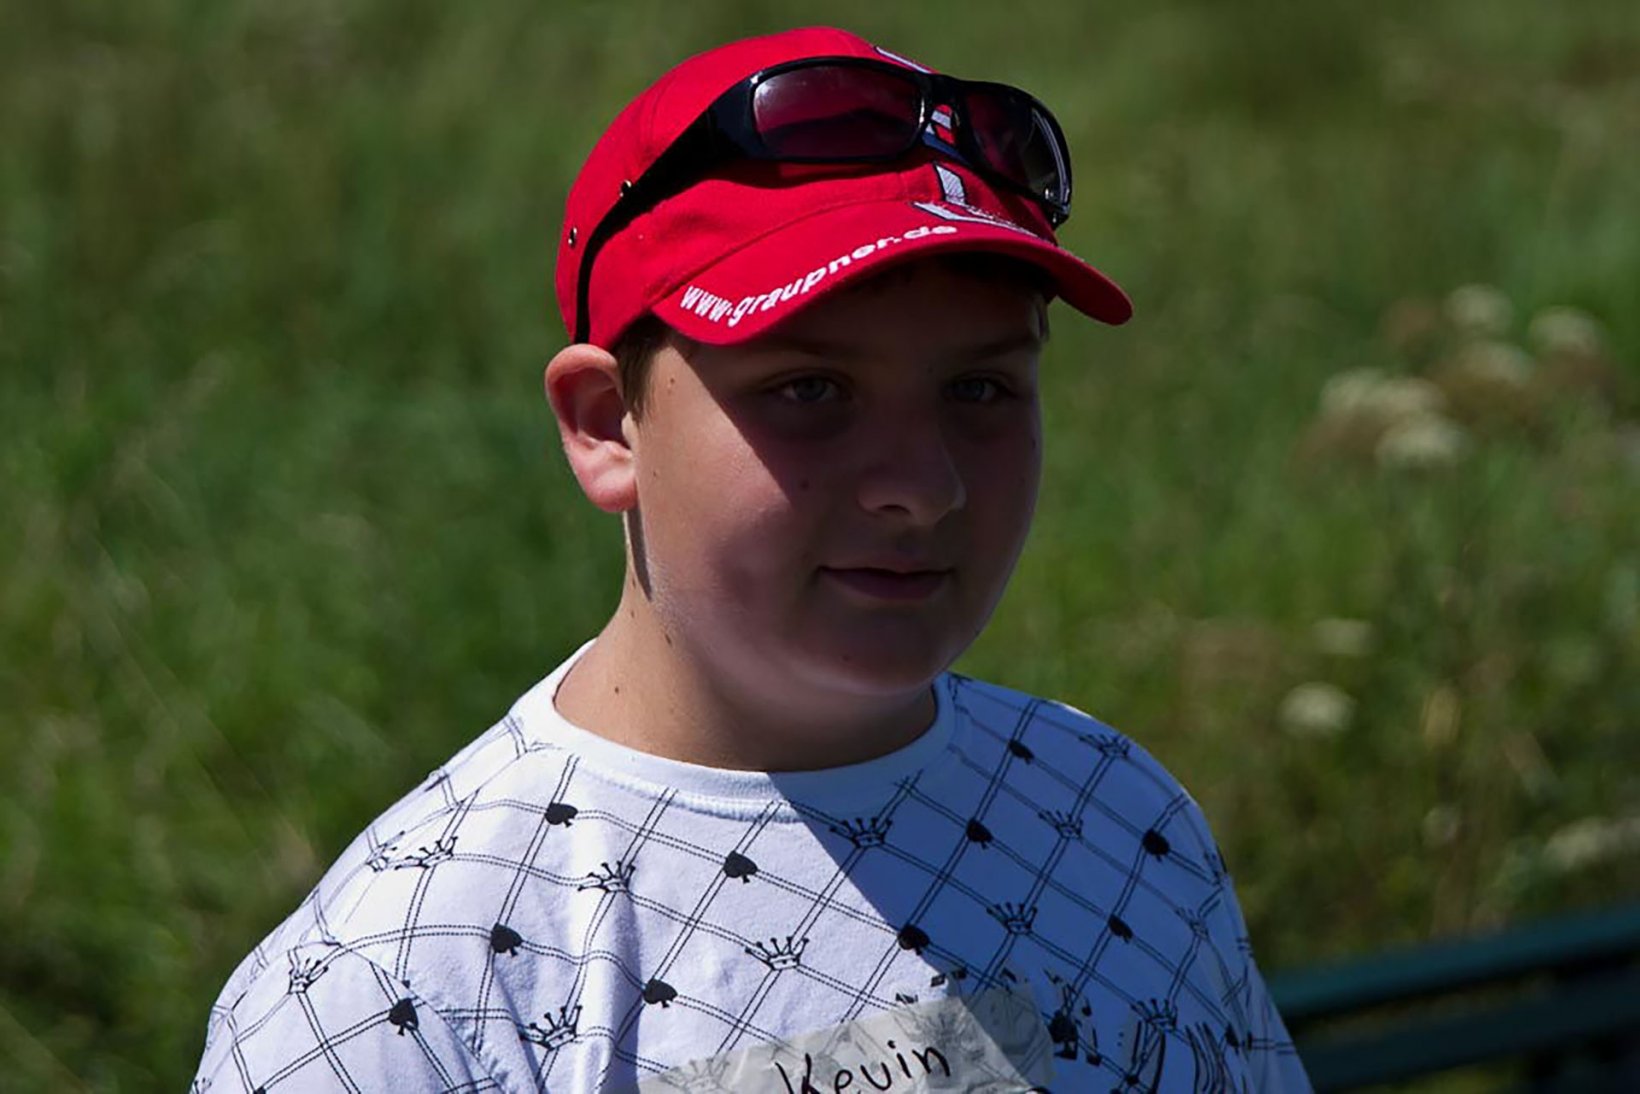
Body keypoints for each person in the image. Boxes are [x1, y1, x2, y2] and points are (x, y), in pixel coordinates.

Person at [192, 25, 1310, 1093]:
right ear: (606, 425)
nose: (922, 485)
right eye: (809, 390)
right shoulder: (401, 990)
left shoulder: (1112, 811)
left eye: (979, 388)